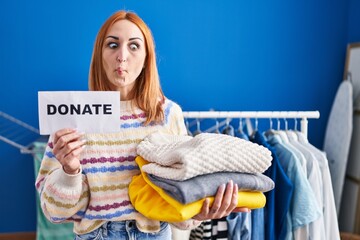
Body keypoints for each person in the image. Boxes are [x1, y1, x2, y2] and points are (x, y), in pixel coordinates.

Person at [35, 10, 248, 239]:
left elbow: (179, 196)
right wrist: (70, 171)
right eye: (113, 45)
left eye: (134, 46)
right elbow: (54, 213)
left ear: (147, 58)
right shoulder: (73, 115)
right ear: (99, 54)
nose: (122, 56)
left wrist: (198, 213)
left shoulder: (167, 114)